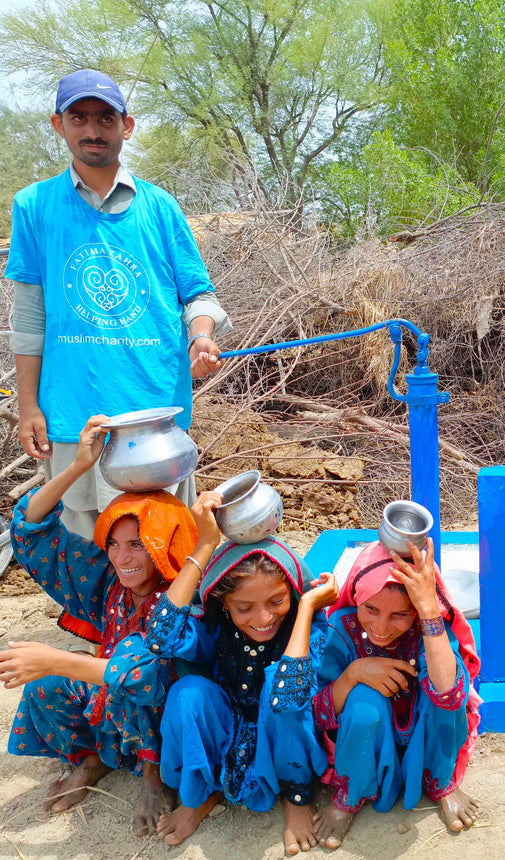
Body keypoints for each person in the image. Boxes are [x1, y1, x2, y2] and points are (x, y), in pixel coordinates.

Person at [5, 68, 231, 538]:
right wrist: (29, 406)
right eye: (80, 117)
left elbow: (198, 295)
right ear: (58, 124)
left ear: (126, 127)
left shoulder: (161, 207)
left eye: (106, 118)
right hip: (75, 418)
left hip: (155, 417)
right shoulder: (34, 206)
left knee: (164, 551)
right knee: (91, 555)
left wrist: (202, 336)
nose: (92, 130)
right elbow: (29, 318)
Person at [0, 414, 198, 835]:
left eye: (138, 546)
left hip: (165, 721)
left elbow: (143, 675)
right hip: (112, 702)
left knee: (131, 678)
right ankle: (91, 760)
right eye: (114, 543)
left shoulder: (184, 594)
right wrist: (76, 467)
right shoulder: (107, 582)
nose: (123, 558)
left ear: (166, 547)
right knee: (46, 686)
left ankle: (152, 776)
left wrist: (54, 658)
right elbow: (31, 531)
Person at [146, 491, 338, 855]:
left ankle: (296, 797)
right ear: (223, 602)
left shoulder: (307, 628)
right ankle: (200, 796)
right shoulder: (215, 628)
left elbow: (289, 697)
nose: (263, 618)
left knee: (277, 689)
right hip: (226, 722)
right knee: (188, 693)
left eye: (277, 602)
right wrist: (204, 547)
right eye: (244, 607)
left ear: (293, 595)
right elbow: (159, 637)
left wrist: (307, 608)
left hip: (283, 730)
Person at [311, 538, 482, 850]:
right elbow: (319, 710)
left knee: (444, 690)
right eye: (371, 609)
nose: (381, 626)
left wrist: (429, 610)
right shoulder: (340, 629)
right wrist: (353, 675)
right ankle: (353, 789)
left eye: (400, 615)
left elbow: (451, 697)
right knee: (364, 705)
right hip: (365, 741)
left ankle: (440, 780)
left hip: (423, 735)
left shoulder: (428, 628)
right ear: (356, 597)